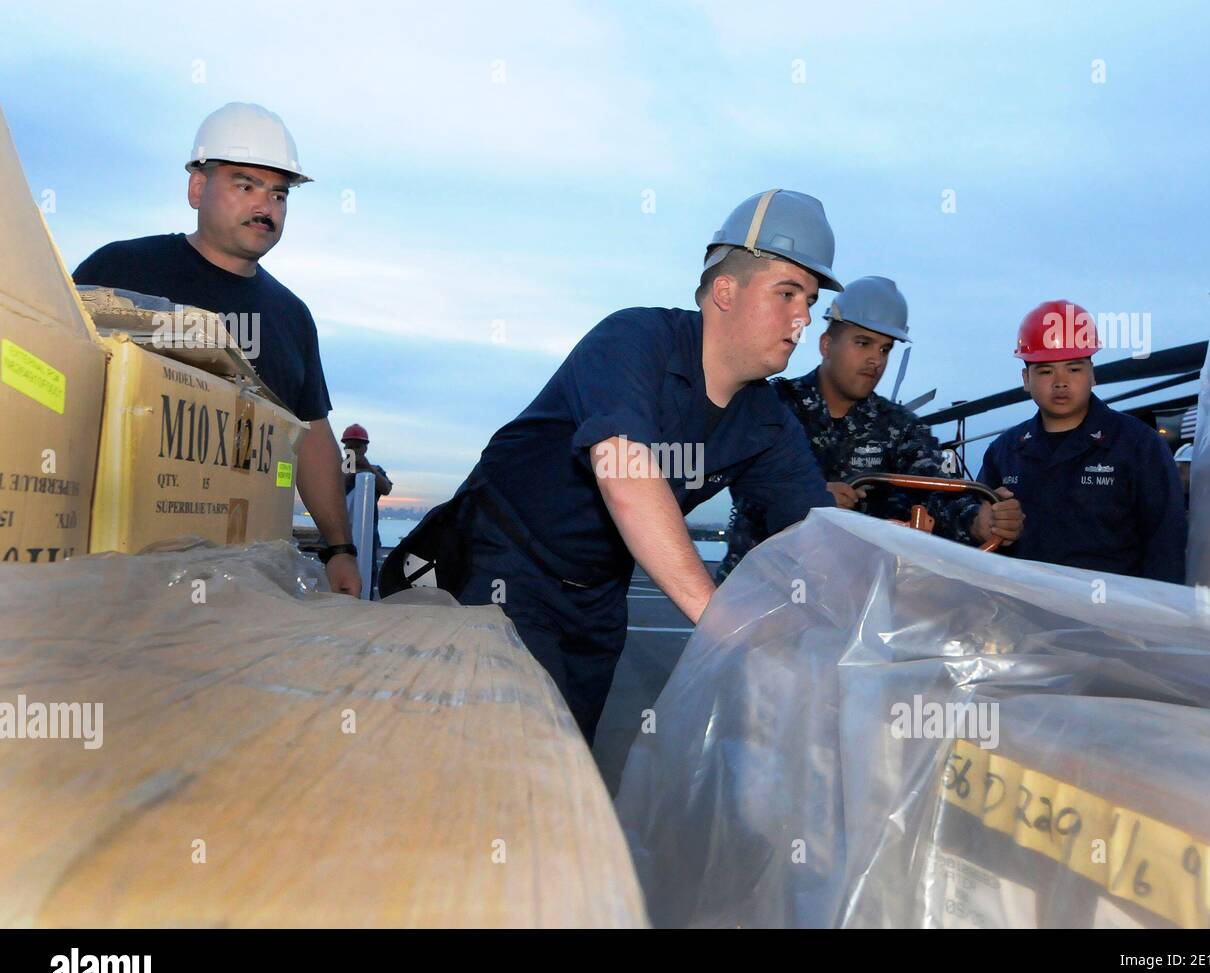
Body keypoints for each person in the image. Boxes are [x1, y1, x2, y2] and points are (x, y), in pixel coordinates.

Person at [408, 189, 848, 743]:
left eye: (808, 300)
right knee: (502, 753)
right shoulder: (634, 340)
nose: (804, 317)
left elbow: (821, 537)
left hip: (597, 593)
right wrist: (721, 622)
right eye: (787, 293)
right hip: (499, 563)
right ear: (726, 291)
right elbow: (625, 473)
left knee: (568, 757)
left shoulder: (767, 421)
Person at [72, 102, 362, 596]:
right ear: (197, 188)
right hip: (115, 572)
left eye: (278, 194)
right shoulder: (120, 269)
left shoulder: (292, 316)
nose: (265, 207)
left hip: (248, 582)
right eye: (245, 185)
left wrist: (340, 549)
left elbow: (311, 434)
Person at [716, 276, 1023, 581]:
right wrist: (807, 501)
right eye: (863, 343)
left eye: (885, 349)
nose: (875, 360)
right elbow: (740, 480)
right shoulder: (772, 407)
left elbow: (936, 491)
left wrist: (980, 521)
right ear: (826, 345)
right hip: (761, 592)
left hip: (853, 604)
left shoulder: (900, 428)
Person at [977, 300, 1187, 582]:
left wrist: (1157, 620)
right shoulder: (1004, 451)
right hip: (1024, 615)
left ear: (1092, 374)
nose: (1060, 382)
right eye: (1046, 371)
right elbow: (976, 540)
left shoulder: (1138, 446)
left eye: (1073, 369)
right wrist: (982, 524)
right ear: (1026, 379)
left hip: (1112, 617)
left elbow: (1167, 544)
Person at [340, 423, 392, 596]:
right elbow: (332, 488)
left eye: (357, 446)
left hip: (367, 537)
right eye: (350, 446)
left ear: (365, 448)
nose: (353, 450)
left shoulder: (375, 471)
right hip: (338, 536)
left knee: (366, 577)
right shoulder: (336, 468)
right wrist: (351, 472)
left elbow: (386, 488)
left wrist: (367, 469)